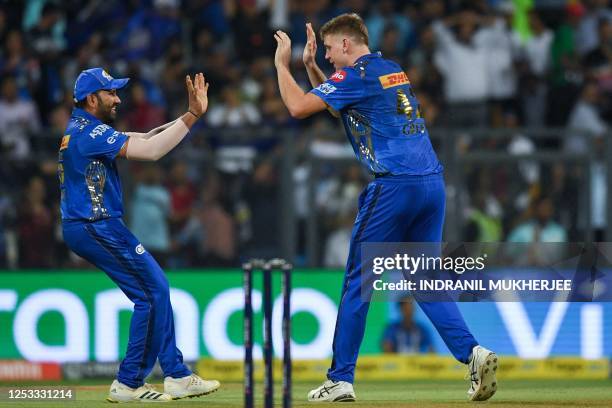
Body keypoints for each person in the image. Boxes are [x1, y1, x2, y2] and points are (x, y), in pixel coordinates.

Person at [273, 13, 498, 402]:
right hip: (431, 185)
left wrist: (282, 64)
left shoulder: (356, 75)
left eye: (327, 49)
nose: (326, 56)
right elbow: (336, 105)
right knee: (425, 283)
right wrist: (309, 66)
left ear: (346, 44)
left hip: (395, 187)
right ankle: (473, 354)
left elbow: (297, 108)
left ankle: (340, 378)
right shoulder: (389, 69)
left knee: (357, 283)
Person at [59, 67, 220, 403]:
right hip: (95, 224)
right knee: (151, 293)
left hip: (96, 224)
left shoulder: (84, 127)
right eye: (111, 93)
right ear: (92, 99)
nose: (118, 99)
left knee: (156, 289)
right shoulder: (89, 132)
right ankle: (129, 382)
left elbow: (146, 137)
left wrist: (188, 116)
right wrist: (192, 115)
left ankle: (175, 374)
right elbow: (152, 152)